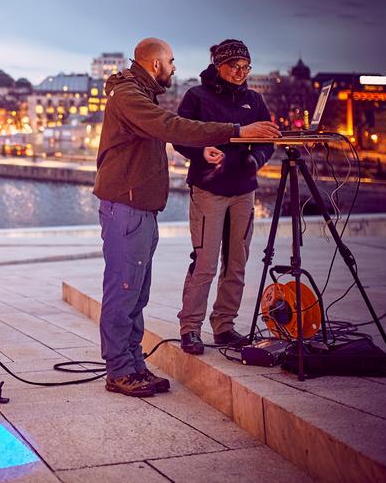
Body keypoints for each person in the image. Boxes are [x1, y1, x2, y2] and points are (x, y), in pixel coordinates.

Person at [93, 37, 279, 397]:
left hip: (140, 205)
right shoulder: (130, 96)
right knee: (124, 288)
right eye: (172, 61)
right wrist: (237, 132)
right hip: (126, 205)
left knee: (137, 291)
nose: (175, 67)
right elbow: (173, 127)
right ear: (156, 64)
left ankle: (132, 364)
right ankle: (119, 370)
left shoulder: (141, 93)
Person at [174, 39, 276, 355]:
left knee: (237, 262)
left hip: (243, 191)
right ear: (219, 65)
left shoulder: (254, 100)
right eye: (235, 66)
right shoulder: (196, 97)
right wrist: (201, 151)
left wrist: (254, 160)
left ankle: (224, 326)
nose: (240, 73)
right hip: (209, 190)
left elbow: (268, 139)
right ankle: (190, 329)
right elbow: (180, 135)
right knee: (205, 263)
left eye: (246, 67)